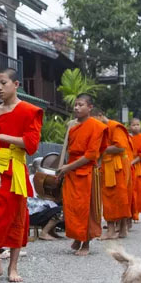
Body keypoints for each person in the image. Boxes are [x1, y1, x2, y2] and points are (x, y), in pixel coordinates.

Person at [0, 68, 43, 282]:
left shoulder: (30, 111)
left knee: (17, 217)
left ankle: (13, 267)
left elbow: (31, 144)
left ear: (16, 84)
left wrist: (1, 136)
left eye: (4, 83)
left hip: (15, 167)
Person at [56, 94, 106, 256]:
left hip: (87, 172)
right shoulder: (72, 125)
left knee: (87, 208)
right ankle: (77, 236)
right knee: (71, 207)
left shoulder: (97, 126)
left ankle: (86, 243)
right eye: (75, 105)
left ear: (90, 108)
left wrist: (68, 167)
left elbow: (91, 155)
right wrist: (64, 167)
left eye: (81, 105)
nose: (76, 108)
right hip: (71, 170)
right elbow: (68, 149)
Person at [92, 108, 132, 240]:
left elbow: (120, 147)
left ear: (100, 115)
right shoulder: (101, 128)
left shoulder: (115, 127)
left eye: (94, 120)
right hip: (108, 165)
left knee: (117, 197)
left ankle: (112, 230)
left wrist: (101, 149)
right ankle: (121, 229)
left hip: (117, 166)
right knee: (114, 197)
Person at [27, 174, 63, 240]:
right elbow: (39, 207)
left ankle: (51, 232)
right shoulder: (31, 192)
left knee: (55, 209)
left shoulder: (37, 189)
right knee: (60, 211)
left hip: (35, 215)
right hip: (32, 216)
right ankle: (44, 233)